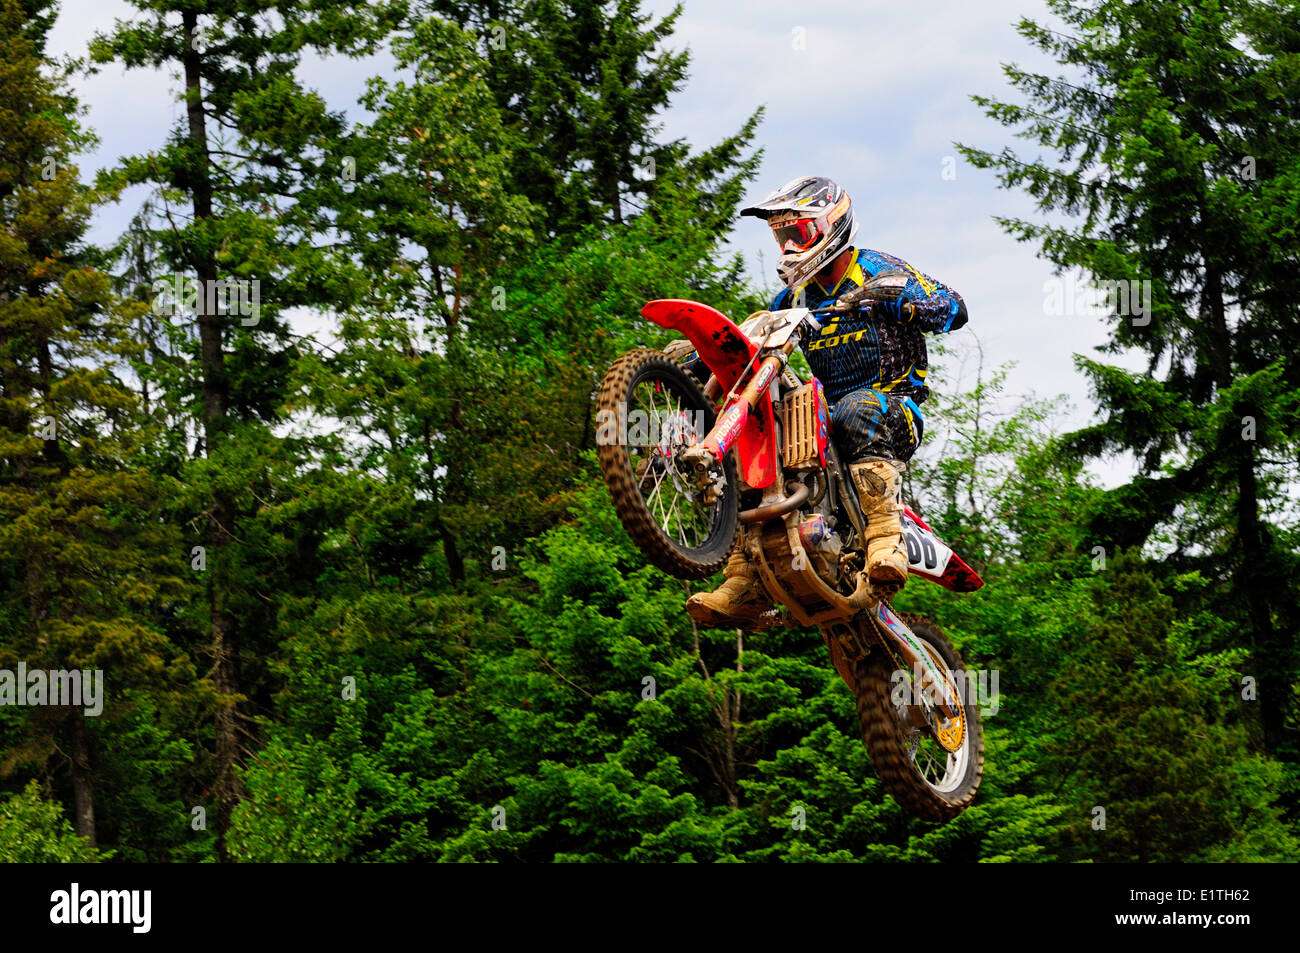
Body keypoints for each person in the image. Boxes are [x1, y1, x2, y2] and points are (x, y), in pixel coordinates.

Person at [687, 175, 968, 627]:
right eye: (782, 237)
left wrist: (899, 300)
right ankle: (745, 577)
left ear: (828, 225)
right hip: (819, 420)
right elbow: (756, 343)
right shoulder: (793, 298)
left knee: (856, 409)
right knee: (758, 434)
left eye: (797, 233)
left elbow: (954, 308)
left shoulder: (877, 268)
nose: (789, 246)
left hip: (893, 408)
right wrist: (700, 362)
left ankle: (884, 540)